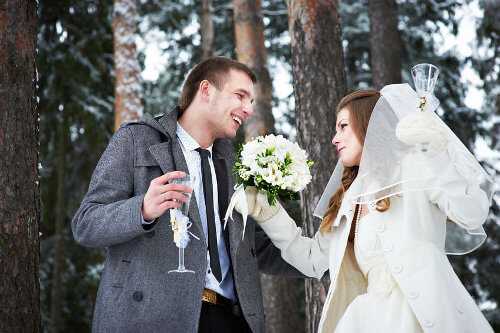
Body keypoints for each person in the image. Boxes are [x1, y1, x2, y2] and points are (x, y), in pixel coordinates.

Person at [238, 84, 494, 332]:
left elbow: (471, 213)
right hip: (370, 320)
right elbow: (312, 260)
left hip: (431, 315)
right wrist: (268, 212)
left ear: (369, 125)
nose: (334, 138)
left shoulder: (416, 166)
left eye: (343, 127)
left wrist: (434, 151)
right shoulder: (347, 201)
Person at [72, 56, 300, 333]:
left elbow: (256, 249)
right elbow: (86, 224)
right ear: (206, 90)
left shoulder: (235, 164)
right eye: (240, 96)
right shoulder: (135, 140)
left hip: (230, 320)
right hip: (152, 319)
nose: (248, 109)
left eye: (251, 101)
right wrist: (142, 209)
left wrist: (333, 257)